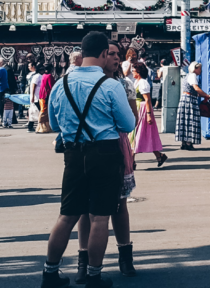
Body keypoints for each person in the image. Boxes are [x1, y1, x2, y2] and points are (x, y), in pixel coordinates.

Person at [41, 32, 135, 288]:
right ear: (104, 53)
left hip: (73, 153)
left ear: (82, 53)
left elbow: (55, 123)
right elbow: (128, 124)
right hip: (104, 153)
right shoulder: (110, 85)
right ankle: (94, 275)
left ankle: (50, 273)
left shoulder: (62, 84)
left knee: (67, 215)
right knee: (100, 217)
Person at [76, 46, 138, 282]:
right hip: (86, 145)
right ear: (100, 56)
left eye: (117, 54)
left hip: (116, 146)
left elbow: (130, 120)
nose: (114, 57)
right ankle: (84, 260)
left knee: (119, 204)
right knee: (84, 207)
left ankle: (125, 256)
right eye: (110, 53)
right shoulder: (85, 82)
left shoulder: (123, 85)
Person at [131, 64, 166, 169]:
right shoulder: (137, 82)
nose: (132, 71)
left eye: (134, 70)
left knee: (137, 134)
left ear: (138, 72)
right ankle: (159, 156)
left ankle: (131, 161)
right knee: (143, 135)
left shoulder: (143, 82)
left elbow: (147, 100)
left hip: (142, 109)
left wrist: (148, 114)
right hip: (137, 108)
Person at [175, 61, 210, 150]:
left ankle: (184, 143)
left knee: (184, 121)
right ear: (195, 68)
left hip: (185, 98)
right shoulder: (193, 76)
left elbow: (194, 91)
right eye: (199, 69)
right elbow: (196, 88)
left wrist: (202, 95)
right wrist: (206, 95)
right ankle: (188, 143)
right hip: (190, 100)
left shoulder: (188, 76)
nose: (201, 71)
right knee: (191, 120)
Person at [37, 66, 58, 134]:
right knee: (44, 111)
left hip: (42, 95)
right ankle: (42, 127)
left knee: (43, 110)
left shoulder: (44, 75)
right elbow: (52, 86)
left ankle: (43, 127)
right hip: (46, 95)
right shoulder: (49, 76)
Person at [28, 65, 45, 133]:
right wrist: (32, 96)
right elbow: (33, 86)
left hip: (38, 96)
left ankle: (31, 126)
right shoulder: (37, 76)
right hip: (36, 97)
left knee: (34, 112)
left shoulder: (39, 76)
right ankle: (37, 126)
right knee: (39, 112)